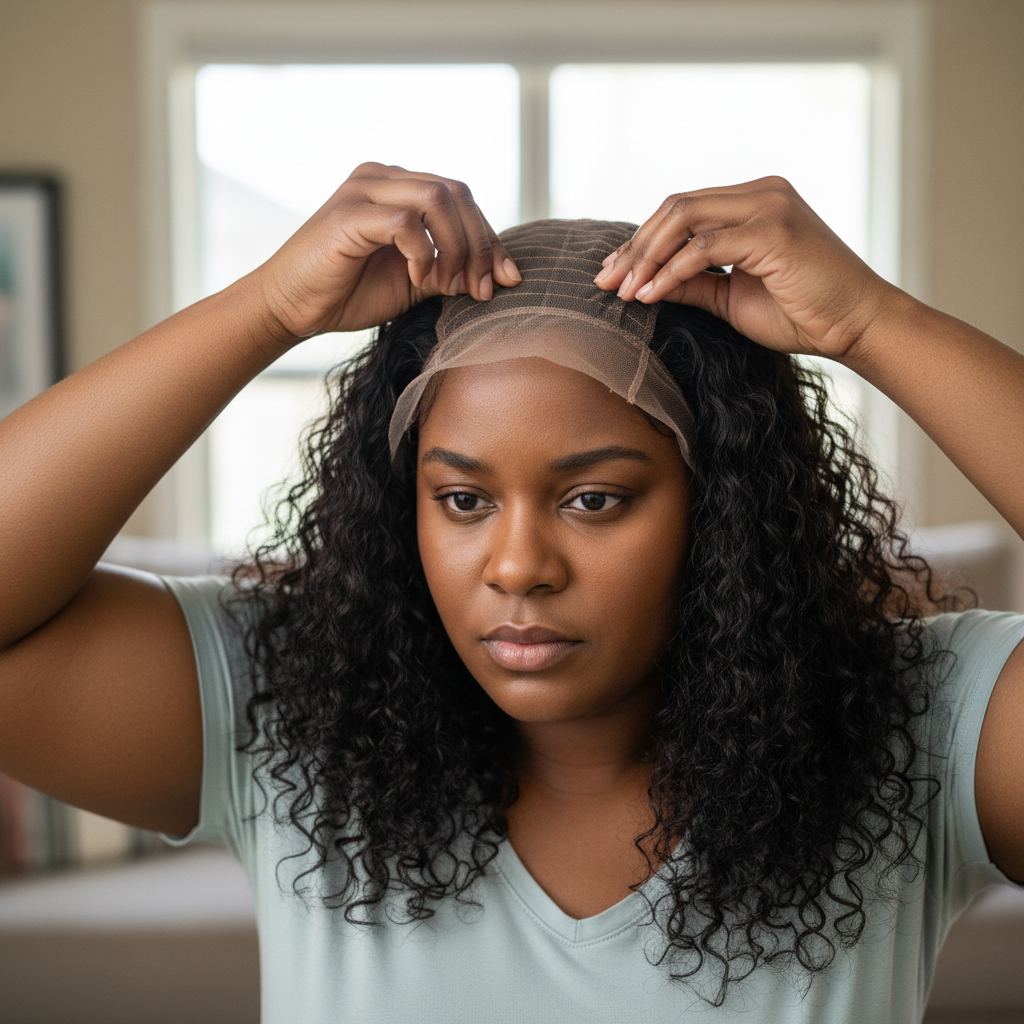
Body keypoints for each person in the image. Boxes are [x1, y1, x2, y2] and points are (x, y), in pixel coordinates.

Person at [0, 162, 1022, 1022]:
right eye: (461, 497)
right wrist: (267, 308)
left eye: (592, 498)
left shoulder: (915, 732)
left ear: (722, 512)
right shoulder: (293, 710)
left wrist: (876, 323)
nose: (518, 564)